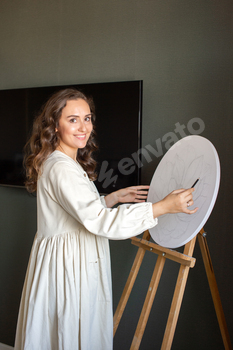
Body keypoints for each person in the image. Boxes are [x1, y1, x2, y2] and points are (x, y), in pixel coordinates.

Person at [14, 88, 198, 350]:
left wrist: (111, 198)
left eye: (87, 118)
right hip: (68, 267)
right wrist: (162, 208)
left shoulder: (64, 162)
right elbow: (99, 221)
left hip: (70, 259)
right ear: (55, 125)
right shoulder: (61, 167)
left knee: (68, 332)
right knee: (70, 333)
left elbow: (77, 212)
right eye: (73, 119)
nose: (83, 127)